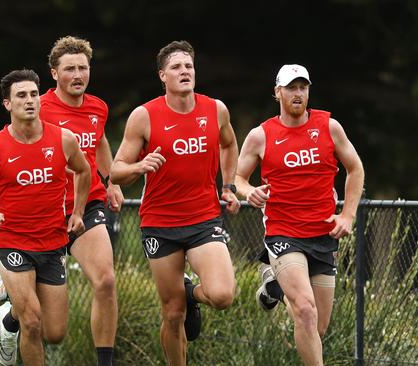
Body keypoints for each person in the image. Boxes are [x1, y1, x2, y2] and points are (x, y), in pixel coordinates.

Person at [0, 36, 122, 366]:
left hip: (85, 205)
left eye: (83, 68)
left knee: (105, 280)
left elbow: (100, 142)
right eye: (70, 69)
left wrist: (111, 181)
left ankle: (105, 361)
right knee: (45, 328)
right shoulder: (38, 105)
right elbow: (12, 150)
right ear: (54, 73)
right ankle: (11, 317)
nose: (78, 74)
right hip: (41, 215)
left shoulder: (98, 107)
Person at [109, 40, 240, 365]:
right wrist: (140, 167)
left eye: (189, 66)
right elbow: (115, 170)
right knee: (172, 313)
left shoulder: (215, 109)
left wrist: (229, 185)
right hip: (160, 225)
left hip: (204, 220)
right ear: (162, 76)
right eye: (177, 67)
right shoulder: (145, 116)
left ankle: (192, 292)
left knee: (222, 295)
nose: (185, 71)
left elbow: (229, 144)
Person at [235, 64, 365, 366]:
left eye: (302, 87)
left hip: (323, 234)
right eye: (291, 87)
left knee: (317, 326)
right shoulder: (261, 135)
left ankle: (275, 287)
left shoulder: (329, 127)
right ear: (277, 92)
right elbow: (238, 178)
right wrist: (248, 191)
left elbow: (355, 168)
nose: (297, 93)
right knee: (305, 310)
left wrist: (347, 215)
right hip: (284, 234)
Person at [0, 69, 90, 366]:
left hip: (52, 242)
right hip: (13, 241)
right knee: (32, 322)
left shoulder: (64, 139)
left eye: (34, 94)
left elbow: (84, 171)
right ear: (7, 104)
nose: (30, 100)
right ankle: (16, 305)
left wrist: (78, 212)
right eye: (21, 95)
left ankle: (8, 318)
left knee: (55, 332)